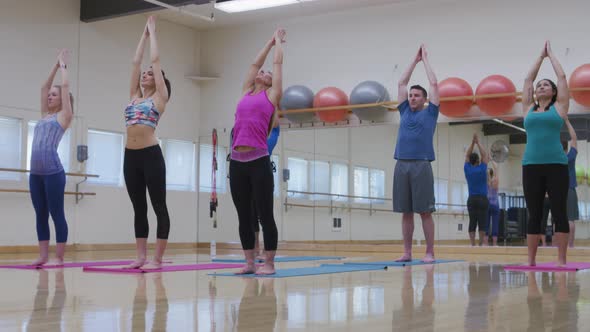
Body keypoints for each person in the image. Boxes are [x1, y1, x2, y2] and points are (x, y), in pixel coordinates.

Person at [229, 28, 285, 275]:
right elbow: (255, 63)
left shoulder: (272, 96)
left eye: (268, 73)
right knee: (244, 216)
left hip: (259, 160)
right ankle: (249, 263)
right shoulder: (245, 92)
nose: (264, 72)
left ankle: (269, 263)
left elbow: (278, 63)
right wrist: (267, 42)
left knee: (265, 214)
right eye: (262, 72)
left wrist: (279, 44)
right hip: (237, 161)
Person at [124, 16, 172, 270]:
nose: (145, 74)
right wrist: (142, 37)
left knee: (158, 205)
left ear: (159, 80)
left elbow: (155, 61)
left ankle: (157, 259)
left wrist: (153, 33)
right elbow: (136, 62)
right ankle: (141, 256)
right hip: (130, 156)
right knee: (138, 207)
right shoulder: (134, 96)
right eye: (144, 74)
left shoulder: (160, 99)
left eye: (151, 74)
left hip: (151, 155)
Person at [522, 41, 570, 266]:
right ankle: (531, 260)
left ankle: (561, 259)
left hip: (556, 166)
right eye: (539, 86)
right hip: (531, 165)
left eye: (545, 85)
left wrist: (551, 56)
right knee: (534, 214)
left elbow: (562, 78)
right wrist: (539, 58)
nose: (540, 87)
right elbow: (527, 81)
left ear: (553, 92)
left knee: (559, 212)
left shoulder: (559, 107)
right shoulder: (528, 109)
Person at [393, 45, 439, 263]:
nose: (411, 98)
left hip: (421, 165)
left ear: (424, 98)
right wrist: (414, 60)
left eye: (416, 95)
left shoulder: (431, 113)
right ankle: (407, 252)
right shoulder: (403, 111)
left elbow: (434, 83)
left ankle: (429, 252)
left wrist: (425, 61)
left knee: (425, 212)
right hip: (401, 164)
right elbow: (401, 83)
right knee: (406, 212)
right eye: (410, 95)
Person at [30, 49, 74, 266]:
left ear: (63, 101)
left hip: (53, 173)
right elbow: (43, 87)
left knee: (56, 213)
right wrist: (55, 66)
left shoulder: (64, 116)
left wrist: (64, 67)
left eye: (53, 95)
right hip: (35, 174)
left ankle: (59, 257)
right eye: (49, 96)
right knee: (40, 214)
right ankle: (43, 255)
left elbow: (65, 87)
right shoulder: (44, 115)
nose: (49, 96)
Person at [254, 117, 280, 259]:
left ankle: (266, 250)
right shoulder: (258, 131)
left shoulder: (274, 132)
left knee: (264, 215)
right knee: (252, 214)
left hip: (263, 170)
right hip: (251, 168)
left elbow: (274, 120)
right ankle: (255, 247)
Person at [464, 134, 489, 246]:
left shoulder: (467, 169)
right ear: (478, 160)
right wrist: (478, 143)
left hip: (472, 199)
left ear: (470, 161)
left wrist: (472, 143)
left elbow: (466, 155)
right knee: (482, 221)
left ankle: (472, 244)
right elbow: (485, 155)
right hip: (482, 199)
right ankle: (480, 244)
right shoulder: (482, 168)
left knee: (472, 221)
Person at [563, 118, 578, 248]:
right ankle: (570, 245)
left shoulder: (555, 159)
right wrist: (567, 121)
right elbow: (574, 139)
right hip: (569, 189)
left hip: (557, 190)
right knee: (570, 219)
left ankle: (560, 245)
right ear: (566, 149)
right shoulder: (570, 157)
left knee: (559, 219)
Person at [486, 161, 500, 246]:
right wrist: (495, 167)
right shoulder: (495, 181)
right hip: (495, 205)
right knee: (495, 224)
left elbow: (486, 175)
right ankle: (495, 243)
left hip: (487, 204)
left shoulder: (486, 182)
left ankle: (485, 243)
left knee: (486, 224)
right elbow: (496, 175)